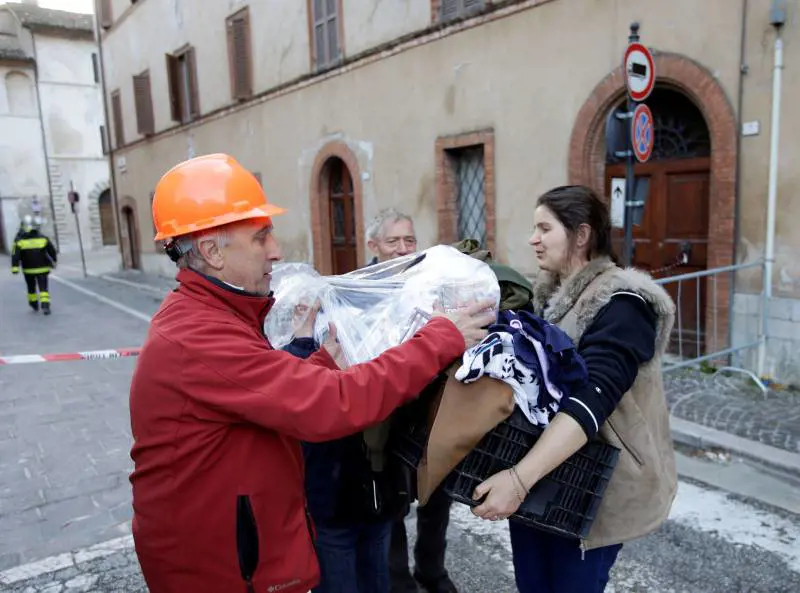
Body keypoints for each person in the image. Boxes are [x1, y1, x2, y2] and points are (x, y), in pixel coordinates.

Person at [128, 154, 495, 593]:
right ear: (211, 251)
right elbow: (333, 405)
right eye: (260, 236)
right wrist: (440, 338)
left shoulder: (212, 316)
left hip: (237, 555)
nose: (276, 250)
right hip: (224, 571)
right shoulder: (198, 335)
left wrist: (319, 363)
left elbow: (262, 398)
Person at [469, 185, 677, 593]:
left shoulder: (623, 304)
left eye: (544, 228)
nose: (533, 239)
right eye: (533, 228)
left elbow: (593, 399)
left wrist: (518, 479)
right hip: (544, 480)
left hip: (594, 489)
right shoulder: (544, 301)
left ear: (581, 236)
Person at [11, 215, 57, 315]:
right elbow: (52, 251)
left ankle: (33, 303)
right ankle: (45, 305)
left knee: (31, 287)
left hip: (28, 270)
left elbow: (15, 255)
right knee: (43, 288)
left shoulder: (20, 241)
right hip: (42, 268)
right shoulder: (43, 239)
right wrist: (54, 261)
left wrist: (15, 267)